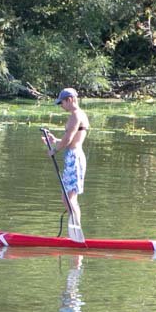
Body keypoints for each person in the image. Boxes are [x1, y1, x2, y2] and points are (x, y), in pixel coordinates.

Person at [43, 87, 89, 239]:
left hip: (74, 158)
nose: (61, 106)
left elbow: (69, 139)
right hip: (72, 156)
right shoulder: (77, 115)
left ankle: (76, 233)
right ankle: (75, 233)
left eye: (61, 102)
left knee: (70, 198)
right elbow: (69, 140)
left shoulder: (76, 115)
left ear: (70, 100)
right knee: (67, 198)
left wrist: (54, 150)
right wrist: (54, 140)